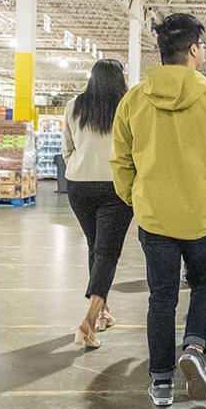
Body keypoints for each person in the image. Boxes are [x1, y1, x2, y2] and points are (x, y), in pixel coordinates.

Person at [112, 13, 206, 408]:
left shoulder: (134, 99)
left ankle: (161, 382)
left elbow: (120, 161)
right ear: (192, 50)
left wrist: (136, 200)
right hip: (204, 215)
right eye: (201, 47)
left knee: (162, 297)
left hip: (154, 216)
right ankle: (194, 347)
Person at [62, 58, 133, 349]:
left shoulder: (73, 106)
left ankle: (103, 309)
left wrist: (78, 169)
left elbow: (68, 149)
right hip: (115, 185)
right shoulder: (128, 105)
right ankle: (89, 321)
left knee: (96, 246)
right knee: (107, 251)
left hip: (78, 186)